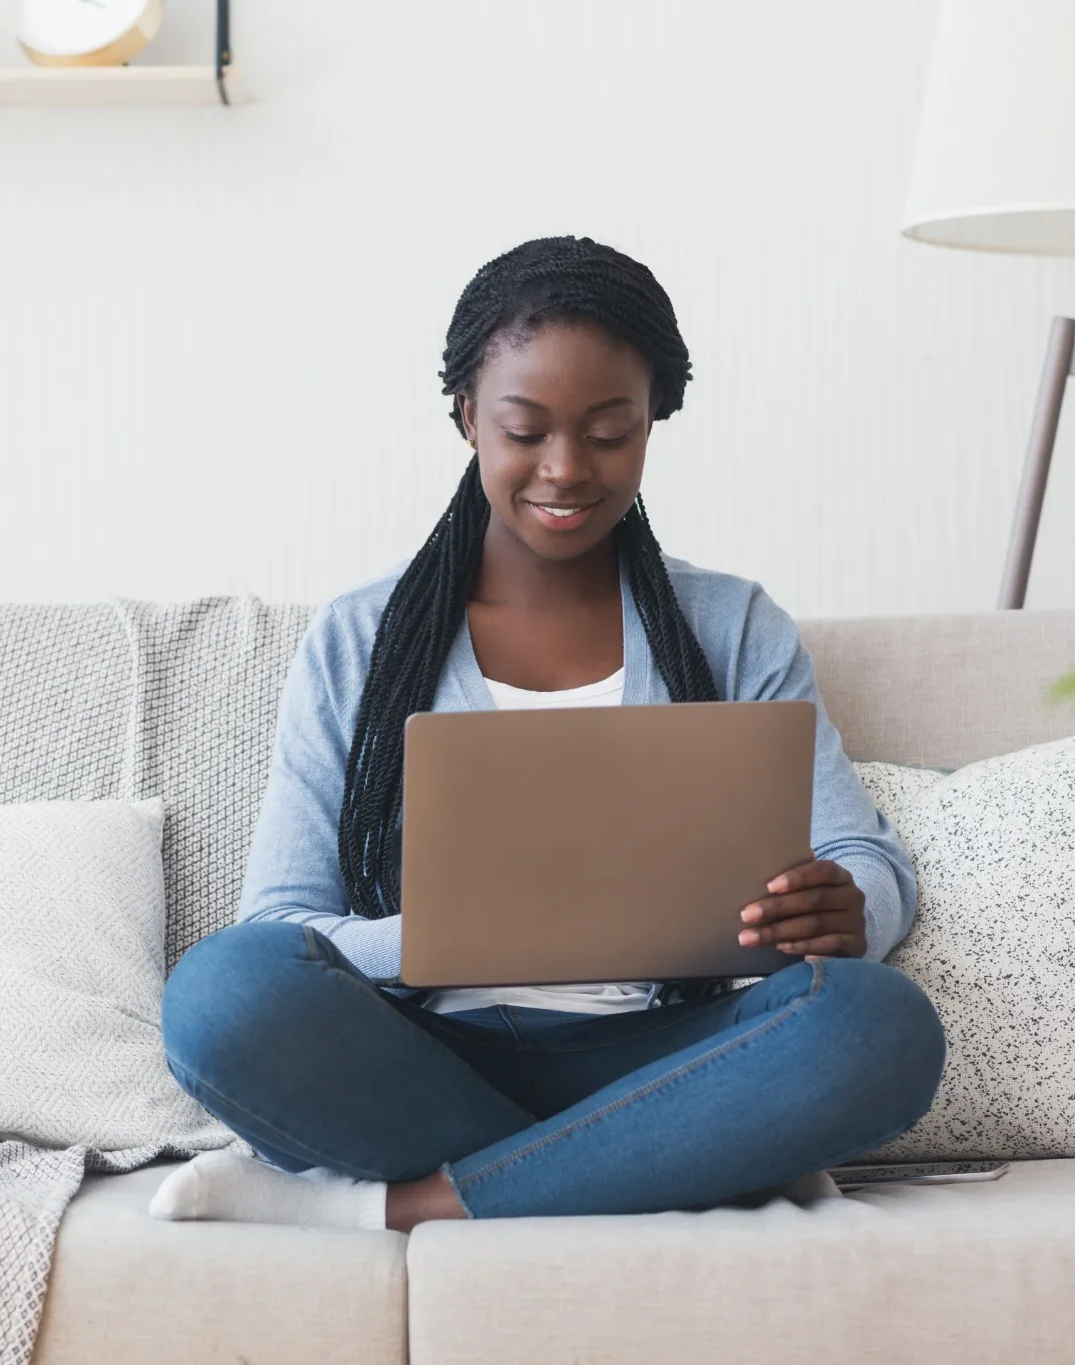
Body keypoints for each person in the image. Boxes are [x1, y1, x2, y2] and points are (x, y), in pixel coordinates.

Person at [151, 236, 946, 1232]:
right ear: (466, 419)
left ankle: (397, 1208)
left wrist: (847, 906)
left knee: (876, 1026)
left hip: (667, 1052)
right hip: (424, 1058)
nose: (565, 470)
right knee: (220, 995)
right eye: (523, 431)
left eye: (608, 433)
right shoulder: (359, 636)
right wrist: (457, 932)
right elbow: (279, 929)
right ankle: (674, 1161)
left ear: (652, 422)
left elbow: (860, 858)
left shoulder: (730, 625)